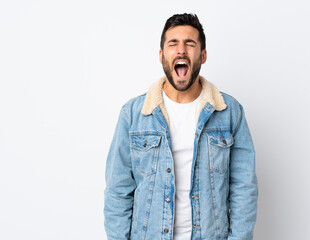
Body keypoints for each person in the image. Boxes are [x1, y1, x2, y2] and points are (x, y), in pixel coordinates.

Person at [104, 13, 258, 240]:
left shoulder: (229, 112)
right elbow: (118, 192)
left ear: (203, 55)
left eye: (190, 43)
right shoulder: (133, 114)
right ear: (161, 55)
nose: (181, 50)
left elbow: (244, 190)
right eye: (173, 43)